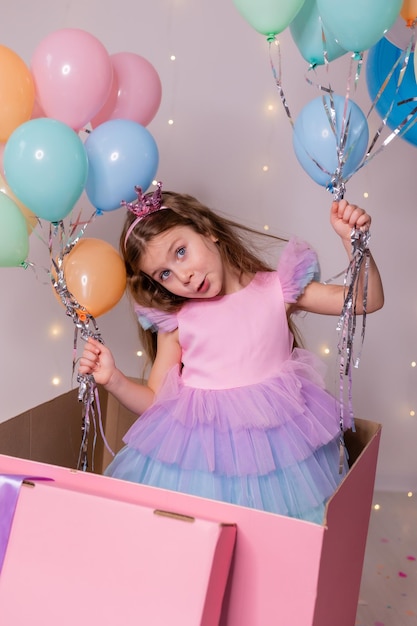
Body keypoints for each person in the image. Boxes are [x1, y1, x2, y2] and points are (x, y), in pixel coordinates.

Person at [79, 183, 384, 523]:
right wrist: (113, 380)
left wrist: (354, 243)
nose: (184, 275)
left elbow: (365, 300)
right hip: (203, 465)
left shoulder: (277, 289)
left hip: (279, 456)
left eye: (181, 251)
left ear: (208, 231)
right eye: (164, 273)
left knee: (278, 537)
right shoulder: (177, 322)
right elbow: (155, 402)